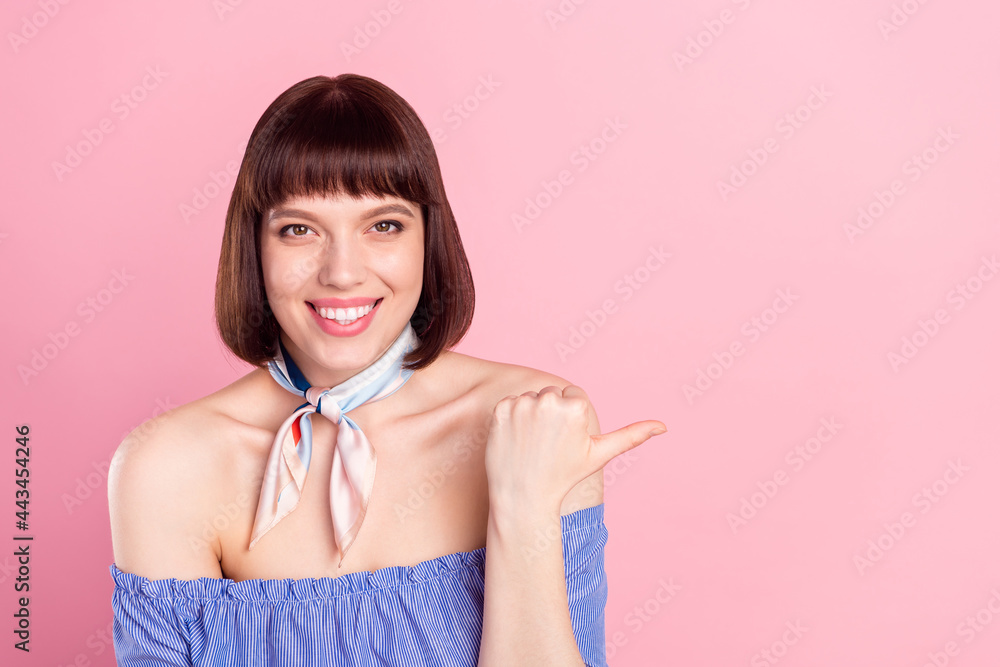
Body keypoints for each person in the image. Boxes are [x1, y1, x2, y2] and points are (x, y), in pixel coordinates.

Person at [107, 73, 666, 666]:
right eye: (298, 230)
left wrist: (523, 507)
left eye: (384, 225)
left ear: (430, 239)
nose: (342, 273)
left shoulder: (533, 421)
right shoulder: (167, 468)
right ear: (255, 247)